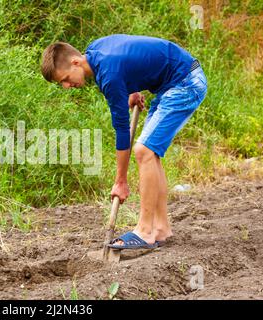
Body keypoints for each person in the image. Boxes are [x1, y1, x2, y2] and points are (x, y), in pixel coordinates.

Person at [40, 34, 207, 249]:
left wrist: (121, 181)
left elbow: (121, 129)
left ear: (75, 62)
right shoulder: (95, 50)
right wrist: (133, 88)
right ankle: (161, 229)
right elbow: (129, 58)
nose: (66, 86)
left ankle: (145, 232)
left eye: (64, 79)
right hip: (173, 82)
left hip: (185, 82)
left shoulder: (109, 74)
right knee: (150, 153)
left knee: (143, 150)